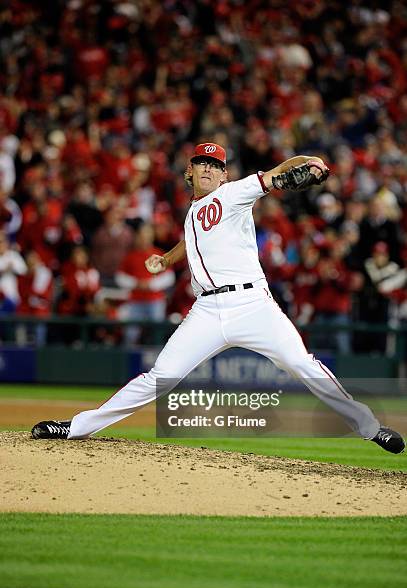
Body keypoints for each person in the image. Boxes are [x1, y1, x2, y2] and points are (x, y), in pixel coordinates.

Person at [32, 143, 405, 454]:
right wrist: (167, 258)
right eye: (201, 163)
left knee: (301, 364)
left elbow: (278, 172)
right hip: (207, 310)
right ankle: (77, 428)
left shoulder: (234, 193)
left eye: (215, 164)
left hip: (253, 305)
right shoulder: (193, 212)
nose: (208, 169)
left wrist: (309, 163)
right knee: (161, 377)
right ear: (189, 173)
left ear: (224, 174)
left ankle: (371, 428)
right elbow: (191, 241)